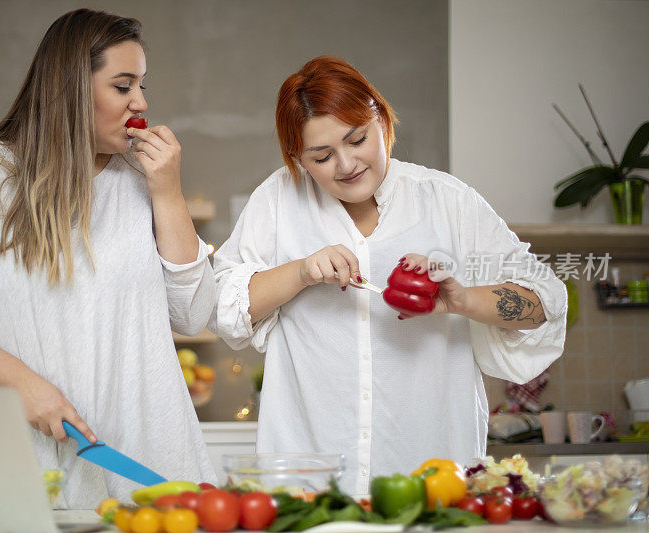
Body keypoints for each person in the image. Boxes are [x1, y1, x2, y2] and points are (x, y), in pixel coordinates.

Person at [0, 9, 216, 507]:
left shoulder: (143, 184)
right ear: (69, 87)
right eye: (123, 86)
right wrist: (22, 385)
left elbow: (192, 313)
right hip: (6, 468)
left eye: (142, 86)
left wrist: (169, 194)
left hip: (142, 472)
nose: (141, 104)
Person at [210, 56, 566, 495]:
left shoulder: (446, 201)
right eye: (321, 157)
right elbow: (225, 305)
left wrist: (460, 300)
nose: (346, 165)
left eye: (356, 139)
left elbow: (542, 306)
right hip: (308, 481)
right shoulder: (278, 201)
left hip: (434, 478)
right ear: (298, 159)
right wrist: (300, 272)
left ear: (378, 116)